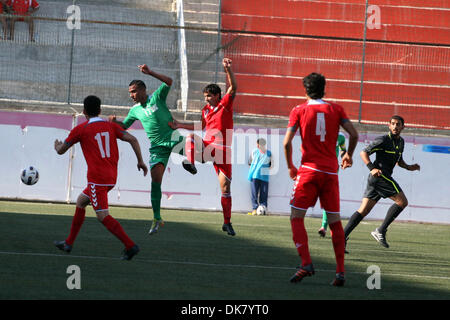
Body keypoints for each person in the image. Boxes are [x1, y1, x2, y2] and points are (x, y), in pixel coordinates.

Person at [283, 72, 358, 286]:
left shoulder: (299, 110)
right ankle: (340, 272)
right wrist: (348, 155)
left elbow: (287, 143)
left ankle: (306, 263)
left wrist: (290, 166)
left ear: (305, 90)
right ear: (325, 88)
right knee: (335, 223)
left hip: (308, 170)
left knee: (296, 217)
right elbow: (354, 135)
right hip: (331, 173)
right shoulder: (336, 109)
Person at [53, 95, 148, 260]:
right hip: (111, 177)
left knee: (102, 216)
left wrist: (57, 146)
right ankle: (68, 243)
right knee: (81, 201)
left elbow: (61, 150)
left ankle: (130, 246)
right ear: (100, 110)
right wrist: (140, 161)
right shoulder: (110, 126)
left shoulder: (80, 130)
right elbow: (133, 139)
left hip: (97, 179)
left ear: (84, 112)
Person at [110, 64, 184, 235]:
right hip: (157, 148)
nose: (131, 96)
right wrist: (115, 123)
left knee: (194, 151)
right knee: (155, 181)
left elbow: (169, 81)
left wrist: (150, 72)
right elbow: (125, 126)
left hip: (173, 138)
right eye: (130, 92)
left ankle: (189, 161)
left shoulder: (157, 97)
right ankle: (157, 217)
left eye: (134, 91)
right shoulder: (135, 110)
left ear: (143, 90)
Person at [168, 58, 237, 236]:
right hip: (208, 147)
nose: (206, 99)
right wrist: (179, 125)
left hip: (223, 151)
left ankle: (227, 222)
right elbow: (200, 128)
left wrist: (228, 70)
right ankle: (190, 163)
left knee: (225, 189)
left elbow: (233, 88)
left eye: (209, 96)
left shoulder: (225, 105)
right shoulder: (205, 110)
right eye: (205, 96)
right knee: (191, 137)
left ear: (217, 95)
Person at [344, 115, 420, 250]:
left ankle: (341, 237)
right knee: (402, 202)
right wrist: (371, 168)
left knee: (363, 210)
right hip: (379, 177)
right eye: (393, 124)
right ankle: (381, 230)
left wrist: (409, 167)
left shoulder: (401, 142)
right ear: (389, 125)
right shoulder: (383, 140)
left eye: (398, 124)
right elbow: (363, 153)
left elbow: (399, 161)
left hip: (379, 179)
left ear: (403, 126)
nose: (395, 126)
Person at [318, 132, 346, 236]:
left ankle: (324, 226)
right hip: (316, 169)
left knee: (328, 198)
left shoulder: (341, 136)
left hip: (332, 170)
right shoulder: (319, 133)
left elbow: (343, 150)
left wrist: (345, 157)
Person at [247, 138, 272, 215]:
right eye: (257, 144)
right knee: (254, 193)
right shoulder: (254, 152)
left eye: (259, 144)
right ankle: (255, 209)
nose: (258, 145)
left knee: (264, 193)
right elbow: (250, 162)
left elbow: (270, 164)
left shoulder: (269, 153)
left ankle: (263, 208)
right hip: (255, 175)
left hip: (264, 177)